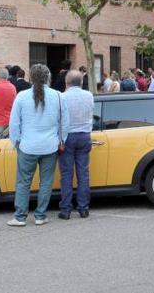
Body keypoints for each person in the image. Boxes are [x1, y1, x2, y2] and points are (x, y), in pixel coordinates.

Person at [7, 64, 69, 227]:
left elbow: (14, 123)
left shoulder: (21, 96)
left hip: (27, 146)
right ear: (48, 76)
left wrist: (16, 142)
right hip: (50, 146)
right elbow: (64, 123)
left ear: (31, 77)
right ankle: (40, 215)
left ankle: (20, 217)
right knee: (46, 182)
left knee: (23, 182)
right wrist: (61, 140)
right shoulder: (58, 96)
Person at [58, 70, 93, 220]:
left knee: (66, 174)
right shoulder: (89, 95)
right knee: (83, 174)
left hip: (67, 137)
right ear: (82, 83)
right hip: (85, 136)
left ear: (67, 83)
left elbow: (59, 119)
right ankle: (83, 208)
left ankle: (66, 209)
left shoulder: (62, 97)